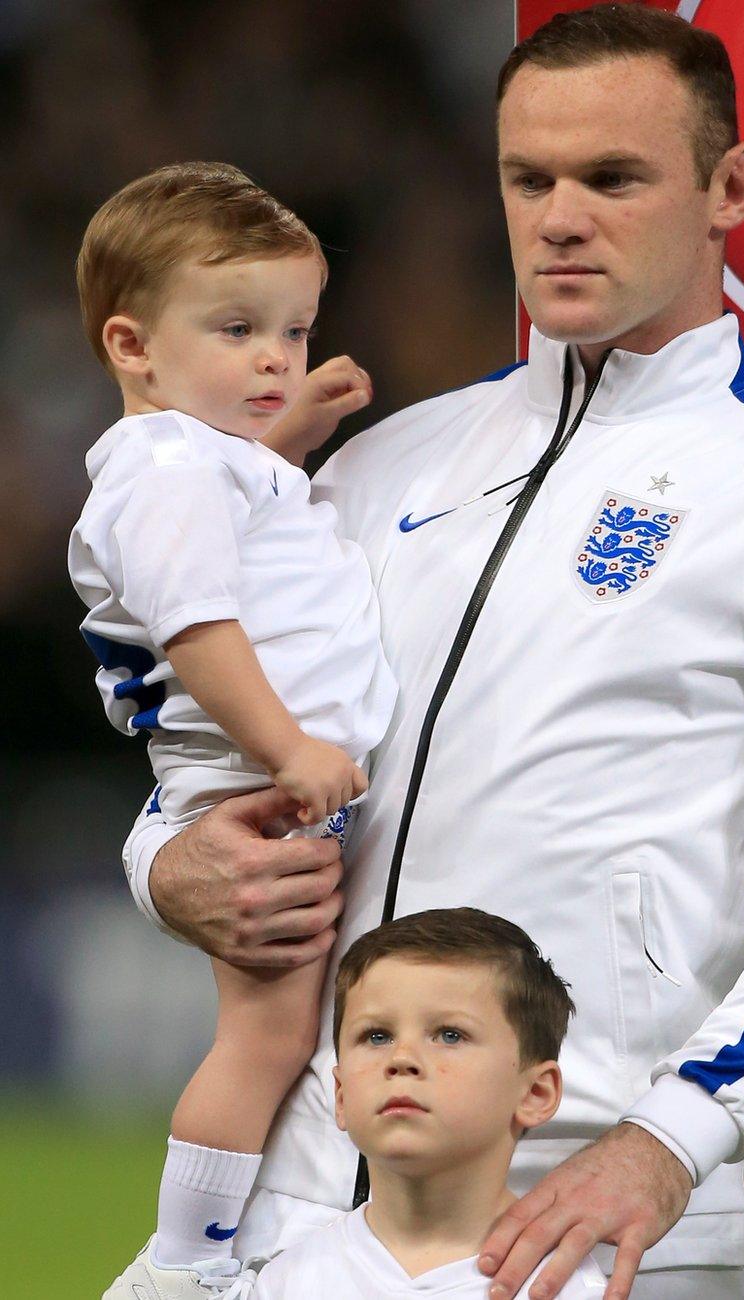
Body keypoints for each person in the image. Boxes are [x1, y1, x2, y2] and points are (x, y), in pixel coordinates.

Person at [120, 8, 744, 1300]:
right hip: (299, 1225)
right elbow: (213, 749)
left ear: (729, 187)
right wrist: (165, 866)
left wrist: (667, 1144)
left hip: (591, 1232)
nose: (560, 217)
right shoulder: (379, 466)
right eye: (529, 179)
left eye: (612, 178)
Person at [68, 162, 397, 1297]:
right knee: (264, 1037)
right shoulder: (161, 469)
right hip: (245, 784)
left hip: (262, 774)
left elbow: (254, 562)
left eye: (295, 330)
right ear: (132, 346)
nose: (276, 356)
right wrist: (289, 749)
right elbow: (201, 625)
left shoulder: (199, 461)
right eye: (239, 327)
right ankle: (182, 1265)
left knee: (281, 1033)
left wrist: (279, 446)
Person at [247, 907, 606, 1297]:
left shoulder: (566, 1289)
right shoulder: (287, 1281)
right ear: (341, 1095)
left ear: (536, 1093)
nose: (401, 1058)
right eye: (377, 1036)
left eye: (449, 1035)